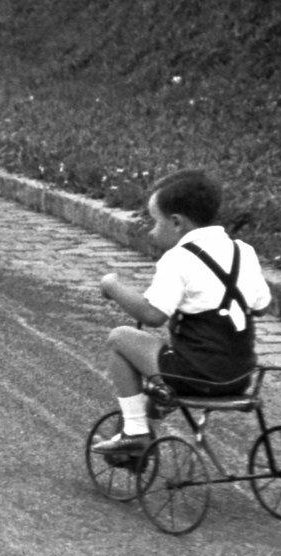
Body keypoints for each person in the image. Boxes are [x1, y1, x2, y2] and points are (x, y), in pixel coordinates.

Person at [93, 168, 271, 454]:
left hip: (196, 375)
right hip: (240, 375)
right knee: (167, 358)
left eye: (155, 222)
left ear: (176, 222)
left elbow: (152, 316)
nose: (152, 231)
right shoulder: (243, 251)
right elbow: (262, 306)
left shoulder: (178, 259)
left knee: (120, 339)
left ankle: (135, 430)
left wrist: (112, 286)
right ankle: (153, 413)